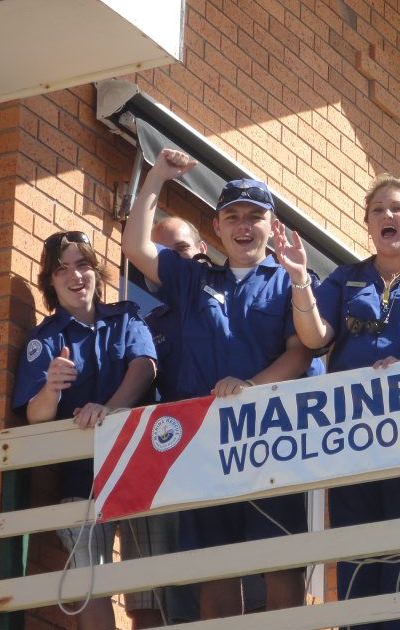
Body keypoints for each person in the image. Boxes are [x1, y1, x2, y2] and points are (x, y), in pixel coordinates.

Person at [122, 149, 314, 619]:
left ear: (273, 226)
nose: (243, 225)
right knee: (214, 567)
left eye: (254, 216)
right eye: (232, 217)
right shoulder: (192, 279)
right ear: (217, 229)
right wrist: (156, 179)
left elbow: (302, 350)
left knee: (280, 565)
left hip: (271, 438)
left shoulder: (290, 279)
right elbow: (135, 247)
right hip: (203, 443)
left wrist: (250, 385)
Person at [273, 173, 400, 630]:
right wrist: (300, 280)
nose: (386, 215)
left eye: (396, 207)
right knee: (357, 556)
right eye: (377, 209)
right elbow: (315, 338)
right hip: (352, 436)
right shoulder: (346, 277)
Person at [12, 231, 157, 630]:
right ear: (50, 282)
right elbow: (35, 416)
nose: (75, 276)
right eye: (62, 270)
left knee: (147, 586)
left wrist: (108, 410)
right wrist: (50, 387)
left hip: (139, 469)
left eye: (83, 265)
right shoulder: (45, 339)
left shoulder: (125, 317)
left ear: (97, 271)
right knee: (90, 578)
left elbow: (144, 367)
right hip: (80, 476)